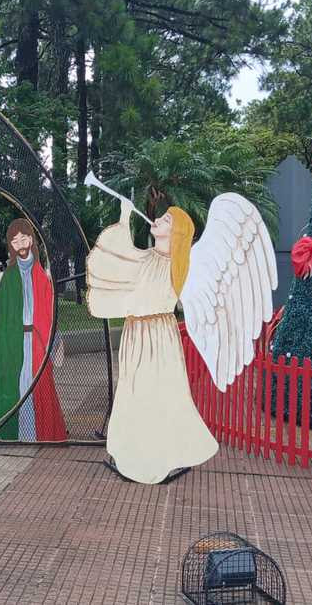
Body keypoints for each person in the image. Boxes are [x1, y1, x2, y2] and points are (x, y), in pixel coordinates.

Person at [86, 200, 218, 484]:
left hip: (158, 338)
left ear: (177, 233)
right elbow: (119, 261)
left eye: (168, 220)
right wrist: (123, 219)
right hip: (136, 335)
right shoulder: (145, 257)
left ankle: (160, 458)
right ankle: (133, 455)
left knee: (157, 395)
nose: (158, 219)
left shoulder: (179, 267)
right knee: (133, 393)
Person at [0, 219, 67, 442]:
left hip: (38, 340)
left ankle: (42, 433)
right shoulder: (9, 277)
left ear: (31, 240)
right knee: (17, 385)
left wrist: (55, 339)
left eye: (23, 238)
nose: (20, 243)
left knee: (39, 384)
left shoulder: (43, 275)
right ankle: (19, 433)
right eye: (14, 240)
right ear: (11, 245)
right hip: (14, 341)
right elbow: (2, 313)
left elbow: (50, 312)